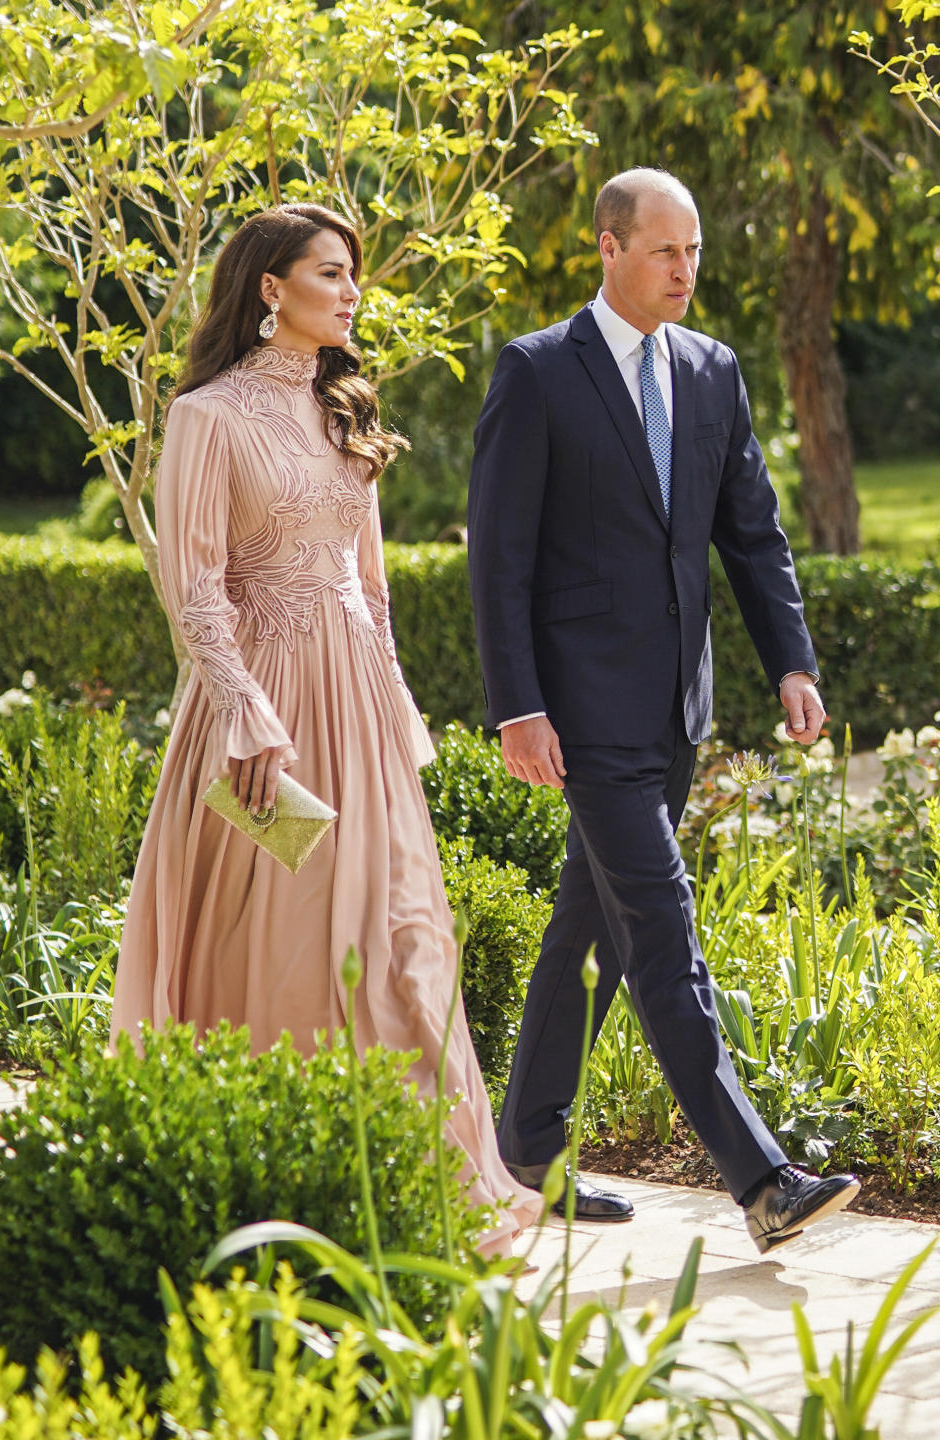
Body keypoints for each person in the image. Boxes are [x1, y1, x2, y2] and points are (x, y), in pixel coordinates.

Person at [109, 202, 542, 1252]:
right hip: (267, 712)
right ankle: (280, 1182)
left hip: (358, 709)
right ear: (271, 289)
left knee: (401, 939)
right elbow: (193, 584)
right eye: (332, 273)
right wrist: (243, 713)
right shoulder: (207, 417)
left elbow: (373, 587)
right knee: (289, 941)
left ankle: (419, 1183)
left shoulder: (348, 404)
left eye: (353, 276)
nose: (352, 292)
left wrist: (397, 710)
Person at [467, 168, 860, 1254]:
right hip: (580, 714)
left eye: (694, 252)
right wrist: (518, 708)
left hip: (675, 705)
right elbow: (498, 562)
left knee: (585, 928)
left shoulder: (714, 370)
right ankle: (763, 1178)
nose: (685, 270)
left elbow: (753, 534)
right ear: (608, 247)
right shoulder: (539, 373)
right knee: (660, 932)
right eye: (664, 251)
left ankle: (529, 1150)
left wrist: (792, 662)